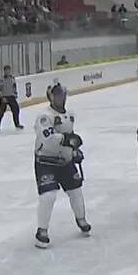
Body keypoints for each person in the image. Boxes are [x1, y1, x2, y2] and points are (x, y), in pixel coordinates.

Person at [33, 82, 92, 248]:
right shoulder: (44, 116)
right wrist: (67, 140)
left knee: (76, 192)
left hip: (65, 161)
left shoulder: (70, 115)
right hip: (46, 161)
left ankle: (81, 219)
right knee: (48, 195)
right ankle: (42, 230)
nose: (61, 97)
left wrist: (73, 152)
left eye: (63, 93)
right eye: (57, 94)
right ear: (50, 96)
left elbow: (70, 137)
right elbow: (48, 138)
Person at [0, 65, 23, 133]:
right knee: (1, 112)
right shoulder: (2, 80)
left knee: (16, 109)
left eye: (9, 70)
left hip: (11, 96)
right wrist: (2, 97)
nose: (8, 72)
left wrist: (15, 94)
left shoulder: (12, 78)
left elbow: (14, 87)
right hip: (4, 97)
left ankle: (17, 124)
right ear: (4, 71)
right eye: (6, 70)